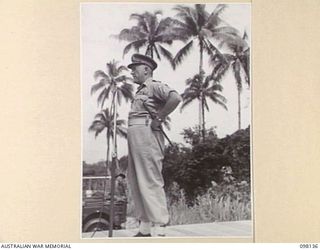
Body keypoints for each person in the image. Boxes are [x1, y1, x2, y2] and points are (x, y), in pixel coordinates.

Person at [127, 54, 181, 237]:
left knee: (150, 177)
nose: (132, 71)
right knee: (136, 179)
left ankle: (160, 225)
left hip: (147, 134)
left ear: (147, 69)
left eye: (135, 67)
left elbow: (175, 97)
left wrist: (159, 118)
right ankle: (145, 225)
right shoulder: (140, 90)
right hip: (136, 134)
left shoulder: (153, 86)